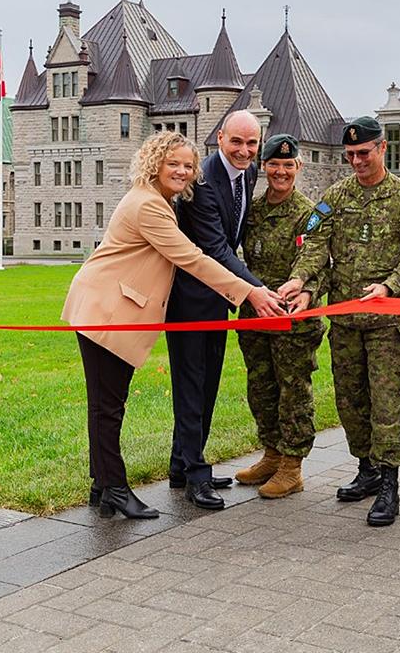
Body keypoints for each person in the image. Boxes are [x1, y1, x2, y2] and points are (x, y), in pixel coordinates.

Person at [62, 131, 285, 519]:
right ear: (154, 165)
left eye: (188, 165)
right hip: (106, 310)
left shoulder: (157, 200)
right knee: (107, 407)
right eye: (173, 164)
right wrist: (251, 292)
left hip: (113, 309)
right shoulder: (148, 206)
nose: (182, 172)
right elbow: (193, 259)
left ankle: (101, 486)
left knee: (107, 403)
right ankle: (113, 487)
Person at [279, 116, 400, 527]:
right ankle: (367, 469)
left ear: (382, 148)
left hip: (386, 324)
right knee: (350, 402)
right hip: (346, 323)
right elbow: (315, 245)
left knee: (387, 405)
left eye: (364, 153)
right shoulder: (335, 196)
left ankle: (390, 485)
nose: (357, 161)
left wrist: (390, 286)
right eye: (350, 155)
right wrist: (299, 278)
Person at [165, 110, 266, 511]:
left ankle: (181, 464)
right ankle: (194, 475)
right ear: (220, 138)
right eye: (236, 142)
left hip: (217, 298)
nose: (244, 151)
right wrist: (256, 290)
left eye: (252, 143)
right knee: (192, 387)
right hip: (189, 300)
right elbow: (216, 247)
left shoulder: (248, 173)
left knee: (207, 385)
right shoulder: (202, 181)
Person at [234, 134, 327, 499]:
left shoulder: (310, 213)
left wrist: (301, 285)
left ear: (298, 167)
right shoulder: (254, 211)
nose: (281, 172)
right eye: (274, 164)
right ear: (264, 167)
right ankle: (271, 453)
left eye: (288, 165)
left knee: (293, 392)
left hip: (292, 321)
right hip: (256, 316)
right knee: (261, 387)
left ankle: (292, 466)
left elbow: (317, 258)